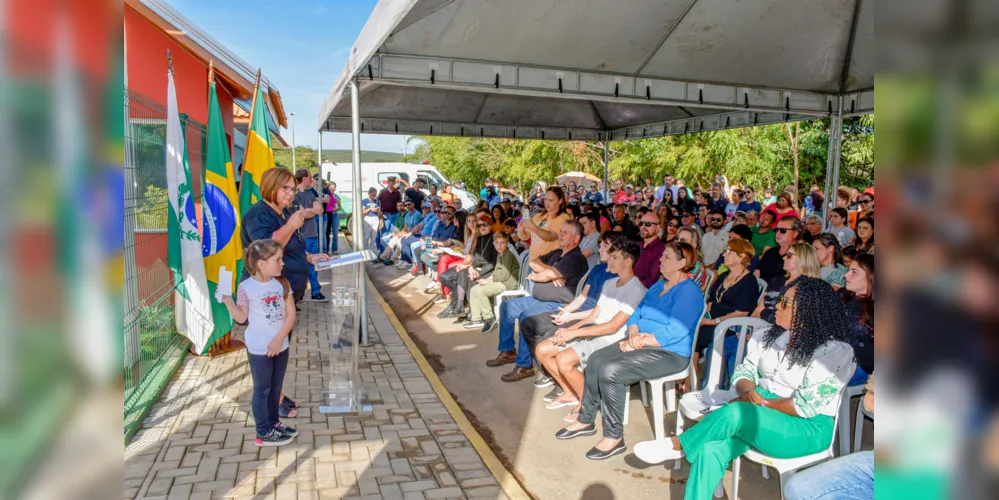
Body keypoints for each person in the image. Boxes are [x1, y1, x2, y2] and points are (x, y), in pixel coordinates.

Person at [634, 277, 856, 500]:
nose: (777, 305)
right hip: (759, 412)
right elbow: (744, 372)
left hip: (806, 427)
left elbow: (804, 406)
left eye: (786, 303)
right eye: (780, 300)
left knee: (737, 412)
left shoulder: (835, 351)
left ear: (808, 311)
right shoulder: (769, 336)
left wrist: (759, 403)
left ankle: (679, 444)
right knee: (710, 448)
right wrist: (748, 392)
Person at [555, 242, 704, 460]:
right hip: (640, 341)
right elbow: (636, 315)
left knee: (611, 370)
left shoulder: (690, 292)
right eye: (662, 256)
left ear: (682, 263)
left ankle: (614, 436)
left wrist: (641, 341)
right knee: (596, 359)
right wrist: (633, 334)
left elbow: (677, 330)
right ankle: (585, 419)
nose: (661, 260)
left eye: (667, 257)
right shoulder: (657, 286)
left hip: (670, 354)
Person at [536, 238, 647, 420]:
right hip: (593, 331)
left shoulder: (636, 290)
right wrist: (568, 332)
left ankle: (585, 402)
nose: (609, 261)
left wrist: (574, 333)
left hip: (612, 340)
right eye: (610, 257)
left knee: (564, 359)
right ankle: (570, 392)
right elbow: (594, 316)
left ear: (628, 261)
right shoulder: (610, 283)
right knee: (543, 349)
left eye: (615, 258)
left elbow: (612, 326)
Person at [221, 239, 299, 447]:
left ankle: (274, 423)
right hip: (259, 348)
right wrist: (228, 301)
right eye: (278, 260)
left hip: (280, 345)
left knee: (276, 388)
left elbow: (290, 315)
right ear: (261, 264)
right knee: (262, 389)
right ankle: (263, 432)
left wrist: (279, 338)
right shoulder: (246, 287)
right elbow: (241, 317)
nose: (282, 264)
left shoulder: (282, 283)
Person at [488, 222, 589, 383]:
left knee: (525, 316)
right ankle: (508, 351)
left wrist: (539, 275)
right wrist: (549, 272)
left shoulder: (576, 258)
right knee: (507, 306)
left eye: (565, 233)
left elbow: (543, 274)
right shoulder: (557, 253)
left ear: (576, 238)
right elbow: (533, 262)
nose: (560, 235)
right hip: (538, 299)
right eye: (560, 231)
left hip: (557, 304)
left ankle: (524, 366)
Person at [241, 168, 331, 305]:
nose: (290, 194)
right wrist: (290, 226)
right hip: (267, 298)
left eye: (293, 190)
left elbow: (291, 243)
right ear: (271, 186)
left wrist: (308, 257)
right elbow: (266, 250)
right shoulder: (258, 214)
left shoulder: (285, 211)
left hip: (285, 293)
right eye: (285, 188)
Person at [695, 239, 759, 354]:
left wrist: (713, 322)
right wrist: (707, 313)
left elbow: (741, 312)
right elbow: (712, 299)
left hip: (731, 325)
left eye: (729, 251)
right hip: (713, 318)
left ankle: (691, 369)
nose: (724, 254)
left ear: (741, 257)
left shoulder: (749, 282)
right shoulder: (724, 275)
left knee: (696, 337)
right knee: (688, 326)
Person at [438, 214, 498, 319]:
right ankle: (460, 306)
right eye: (480, 225)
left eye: (485, 224)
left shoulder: (494, 239)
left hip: (490, 270)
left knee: (468, 277)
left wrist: (477, 272)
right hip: (478, 267)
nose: (482, 227)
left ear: (491, 225)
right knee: (454, 274)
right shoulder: (480, 239)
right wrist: (469, 267)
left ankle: (469, 309)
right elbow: (476, 258)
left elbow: (492, 263)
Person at [463, 231, 521, 331]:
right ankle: (476, 319)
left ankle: (489, 318)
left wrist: (490, 281)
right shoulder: (500, 254)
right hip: (501, 281)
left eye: (502, 243)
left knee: (480, 291)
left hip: (507, 283)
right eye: (497, 243)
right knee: (474, 289)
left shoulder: (508, 255)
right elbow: (496, 272)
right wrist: (488, 279)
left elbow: (504, 275)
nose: (499, 245)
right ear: (493, 243)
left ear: (507, 243)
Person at [753, 242, 821, 324]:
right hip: (759, 327)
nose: (784, 258)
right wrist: (748, 328)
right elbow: (759, 309)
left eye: (789, 255)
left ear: (803, 259)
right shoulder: (777, 280)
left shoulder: (808, 288)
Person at [292, 169, 327, 302]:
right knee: (302, 265)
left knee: (314, 265)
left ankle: (315, 292)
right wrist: (311, 211)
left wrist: (308, 210)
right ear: (304, 178)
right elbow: (303, 214)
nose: (312, 180)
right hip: (302, 235)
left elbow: (320, 210)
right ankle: (298, 294)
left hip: (312, 234)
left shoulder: (310, 193)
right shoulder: (295, 195)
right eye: (310, 177)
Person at [842, 253, 874, 386]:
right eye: (849, 270)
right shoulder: (843, 296)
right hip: (837, 356)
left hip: (862, 367)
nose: (846, 275)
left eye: (854, 272)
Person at [517, 186, 571, 259]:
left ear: (560, 201)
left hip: (549, 263)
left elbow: (550, 237)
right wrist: (521, 229)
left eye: (551, 200)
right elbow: (525, 236)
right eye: (545, 199)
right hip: (533, 260)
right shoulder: (538, 216)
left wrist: (533, 227)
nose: (547, 203)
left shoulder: (563, 218)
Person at [756, 216, 802, 283]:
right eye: (776, 229)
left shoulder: (800, 255)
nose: (778, 233)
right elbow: (757, 273)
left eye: (783, 230)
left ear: (795, 233)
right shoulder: (770, 252)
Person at [399, 200, 440, 272]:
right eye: (423, 208)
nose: (424, 209)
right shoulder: (429, 216)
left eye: (426, 207)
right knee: (404, 239)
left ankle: (416, 266)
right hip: (425, 237)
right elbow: (419, 225)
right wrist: (410, 233)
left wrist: (427, 239)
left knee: (414, 245)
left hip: (429, 239)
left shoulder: (437, 219)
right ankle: (413, 264)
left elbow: (434, 234)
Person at [634, 212, 666, 288]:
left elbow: (652, 280)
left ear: (658, 228)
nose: (643, 226)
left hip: (642, 293)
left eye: (648, 224)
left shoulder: (661, 250)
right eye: (641, 223)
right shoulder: (636, 246)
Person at [676, 225, 709, 291]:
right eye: (677, 238)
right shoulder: (678, 258)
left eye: (683, 240)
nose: (678, 242)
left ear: (694, 244)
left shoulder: (697, 266)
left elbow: (684, 292)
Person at [376, 176, 403, 254]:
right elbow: (378, 202)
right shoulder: (383, 191)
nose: (391, 184)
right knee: (384, 233)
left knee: (393, 233)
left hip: (394, 215)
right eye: (389, 182)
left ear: (394, 183)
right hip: (385, 215)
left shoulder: (397, 193)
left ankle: (393, 252)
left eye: (392, 182)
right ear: (387, 183)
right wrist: (379, 212)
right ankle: (384, 251)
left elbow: (400, 203)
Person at [361, 187, 382, 253]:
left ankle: (372, 251)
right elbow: (363, 212)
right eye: (372, 195)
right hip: (368, 218)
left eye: (375, 195)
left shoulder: (377, 201)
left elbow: (379, 212)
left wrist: (377, 211)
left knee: (374, 236)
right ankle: (365, 251)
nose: (374, 197)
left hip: (375, 218)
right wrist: (370, 209)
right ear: (369, 194)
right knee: (366, 236)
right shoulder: (365, 201)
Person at [324, 181, 341, 254]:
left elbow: (340, 207)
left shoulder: (336, 196)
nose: (333, 189)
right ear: (328, 187)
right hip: (327, 214)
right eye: (332, 187)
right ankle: (326, 249)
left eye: (334, 188)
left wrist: (335, 209)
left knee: (335, 233)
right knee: (327, 232)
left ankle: (334, 249)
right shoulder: (325, 195)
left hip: (335, 215)